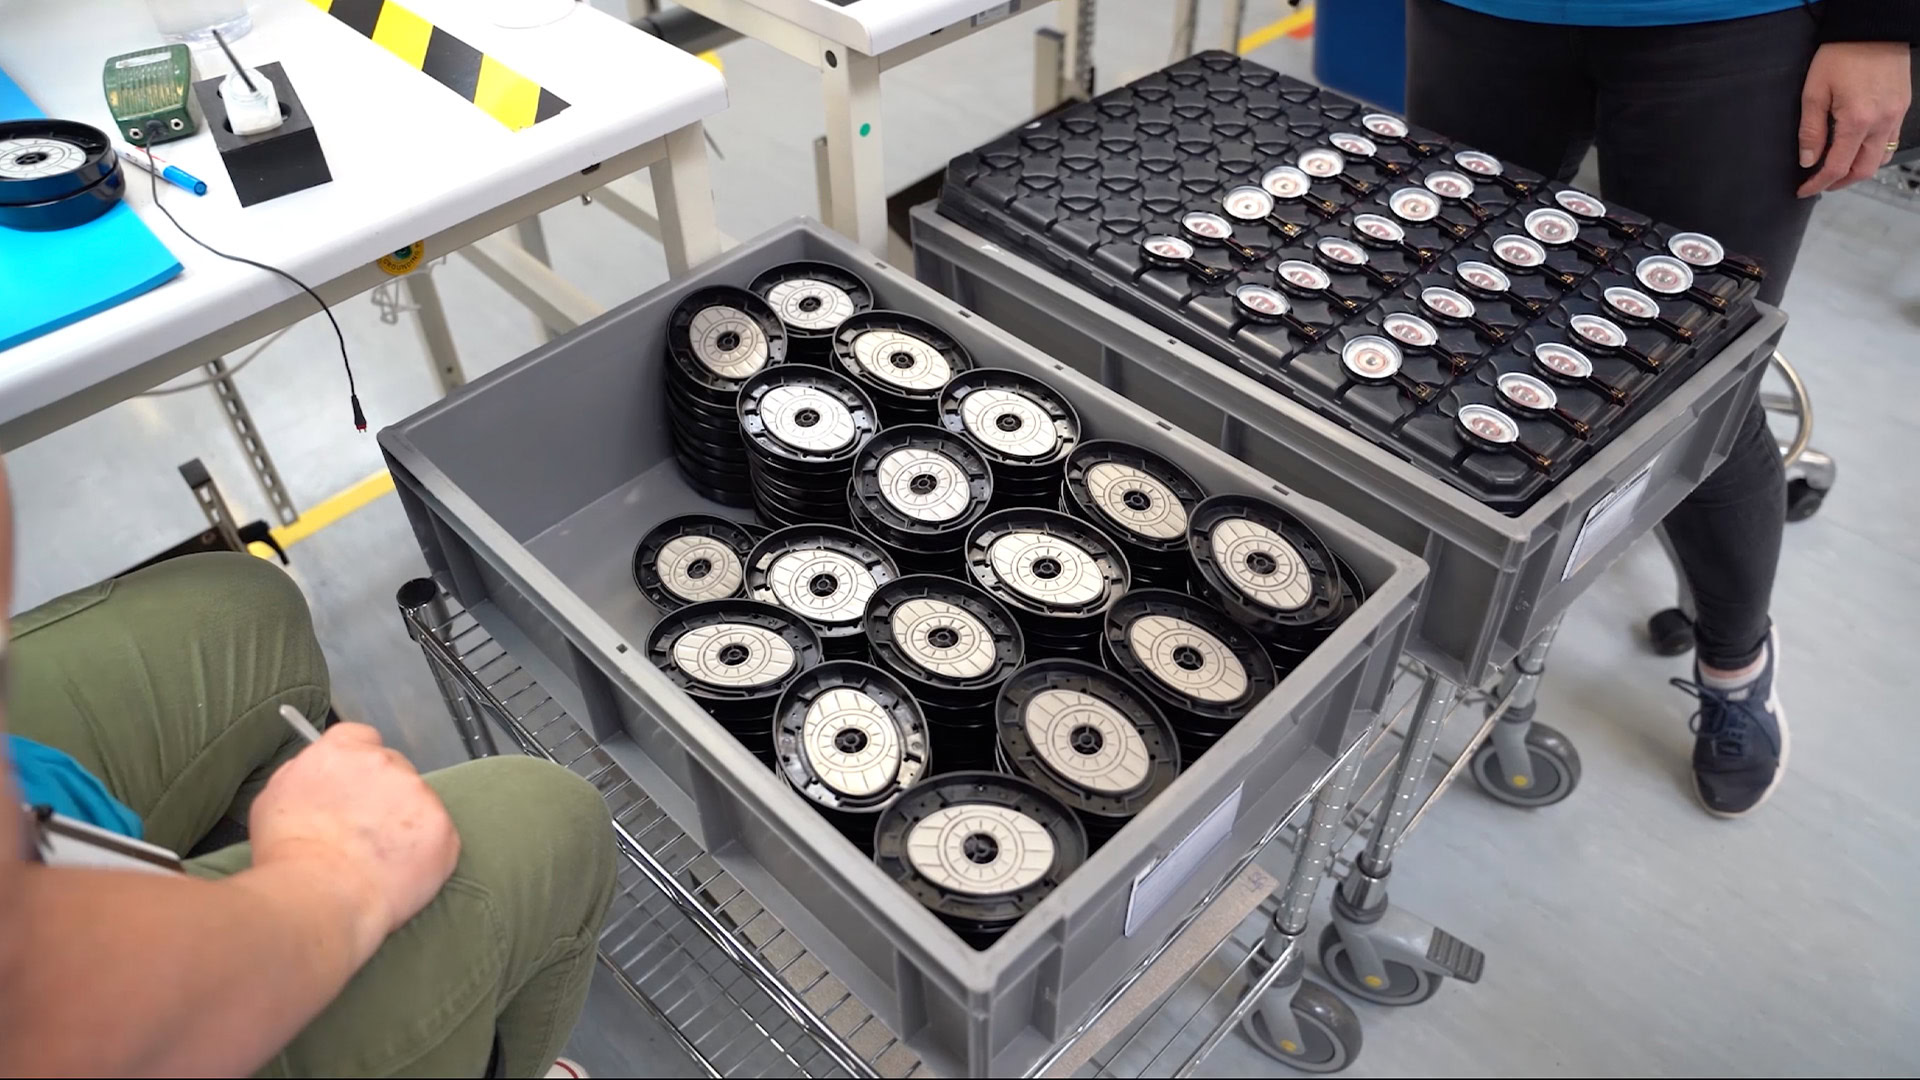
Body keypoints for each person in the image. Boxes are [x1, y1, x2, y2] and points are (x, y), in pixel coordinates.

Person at [1403, 0, 1915, 818]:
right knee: (1444, 340)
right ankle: (1436, 611)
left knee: (1700, 384)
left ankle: (1737, 667)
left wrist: (1881, 22)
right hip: (1485, 16)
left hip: (1732, 23)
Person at [0, 461, 616, 1075]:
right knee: (550, 818)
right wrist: (333, 879)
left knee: (245, 607)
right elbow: (44, 997)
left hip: (41, 813)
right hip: (69, 1012)